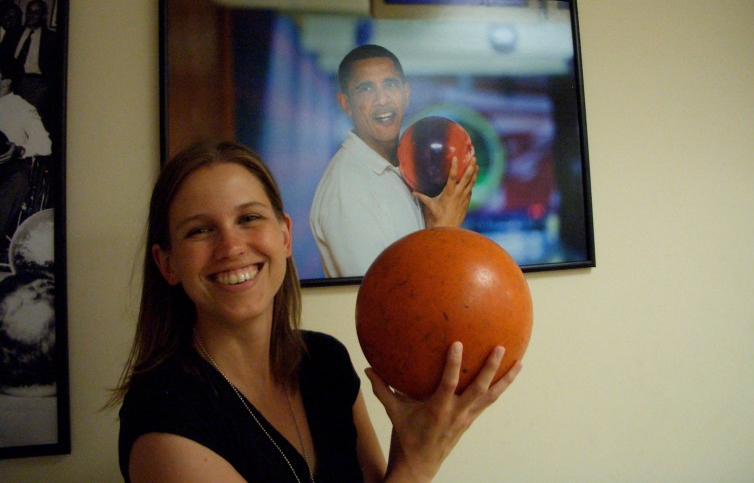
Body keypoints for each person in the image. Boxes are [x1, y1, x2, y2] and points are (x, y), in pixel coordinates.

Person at [111, 139, 520, 483]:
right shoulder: (164, 414)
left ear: (285, 236)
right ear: (167, 264)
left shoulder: (326, 363)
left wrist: (413, 440)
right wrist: (419, 463)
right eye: (200, 230)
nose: (231, 246)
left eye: (249, 218)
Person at [310, 45, 478, 278]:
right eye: (366, 88)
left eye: (390, 85)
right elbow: (385, 296)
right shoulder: (348, 187)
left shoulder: (400, 169)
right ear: (345, 104)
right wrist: (444, 232)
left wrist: (433, 227)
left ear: (405, 94)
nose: (382, 99)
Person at [0, 73, 52, 261]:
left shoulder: (21, 108)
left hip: (8, 166)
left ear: (6, 80)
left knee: (18, 179)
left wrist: (20, 150)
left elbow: (46, 145)